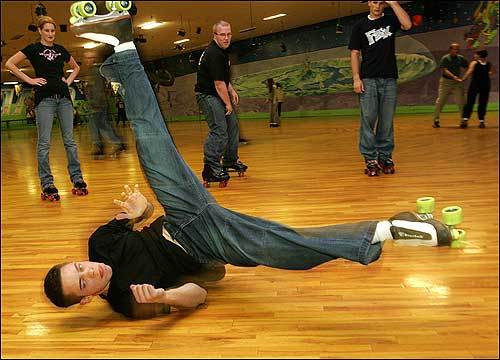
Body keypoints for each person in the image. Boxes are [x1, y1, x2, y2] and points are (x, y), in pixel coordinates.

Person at [45, 10, 455, 320]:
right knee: (274, 244)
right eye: (83, 281)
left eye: (78, 266)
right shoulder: (123, 300)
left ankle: (124, 45)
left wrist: (141, 211)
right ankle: (386, 230)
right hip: (204, 244)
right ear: (85, 298)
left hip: (178, 212)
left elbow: (144, 215)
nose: (91, 270)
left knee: (150, 138)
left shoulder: (101, 242)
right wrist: (165, 297)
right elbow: (199, 295)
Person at [5, 15, 88, 200]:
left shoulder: (60, 50)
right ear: (41, 31)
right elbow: (9, 63)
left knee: (70, 142)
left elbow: (76, 68)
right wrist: (30, 80)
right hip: (45, 101)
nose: (50, 34)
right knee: (44, 144)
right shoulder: (33, 49)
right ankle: (47, 184)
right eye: (47, 30)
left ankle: (77, 179)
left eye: (53, 31)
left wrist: (68, 81)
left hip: (65, 100)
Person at [348, 1, 412, 177]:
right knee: (368, 120)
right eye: (374, 1)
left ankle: (385, 157)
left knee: (386, 121)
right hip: (368, 79)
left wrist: (393, 2)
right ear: (369, 3)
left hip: (389, 78)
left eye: (381, 2)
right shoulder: (360, 26)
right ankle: (370, 158)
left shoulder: (390, 20)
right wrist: (356, 78)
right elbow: (354, 53)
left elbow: (407, 24)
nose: (377, 6)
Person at [194, 20, 248, 186]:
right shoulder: (215, 53)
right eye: (222, 35)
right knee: (219, 130)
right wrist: (228, 104)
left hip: (218, 93)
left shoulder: (222, 51)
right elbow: (218, 84)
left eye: (229, 34)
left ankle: (230, 160)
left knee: (233, 127)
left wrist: (231, 90)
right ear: (215, 35)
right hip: (208, 95)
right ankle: (211, 167)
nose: (226, 38)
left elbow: (223, 79)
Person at [83, 52, 126, 158]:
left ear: (93, 59)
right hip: (98, 104)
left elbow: (97, 89)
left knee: (100, 126)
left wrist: (95, 103)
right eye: (86, 58)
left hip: (98, 104)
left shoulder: (95, 71)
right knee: (99, 126)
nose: (87, 60)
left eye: (90, 58)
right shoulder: (93, 71)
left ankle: (113, 144)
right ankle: (102, 146)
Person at [432, 43, 469, 128]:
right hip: (446, 82)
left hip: (457, 83)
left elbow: (468, 66)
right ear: (450, 50)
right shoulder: (445, 58)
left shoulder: (460, 58)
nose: (456, 51)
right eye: (455, 49)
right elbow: (445, 70)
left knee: (461, 101)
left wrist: (465, 77)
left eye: (458, 49)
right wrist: (454, 77)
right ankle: (436, 120)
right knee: (441, 101)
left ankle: (463, 121)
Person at [460, 49, 495, 129]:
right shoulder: (488, 63)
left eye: (475, 54)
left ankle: (465, 121)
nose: (474, 56)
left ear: (479, 55)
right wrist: (485, 75)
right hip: (485, 85)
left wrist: (463, 79)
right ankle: (481, 121)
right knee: (482, 103)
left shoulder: (474, 63)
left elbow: (469, 71)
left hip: (476, 85)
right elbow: (491, 72)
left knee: (471, 102)